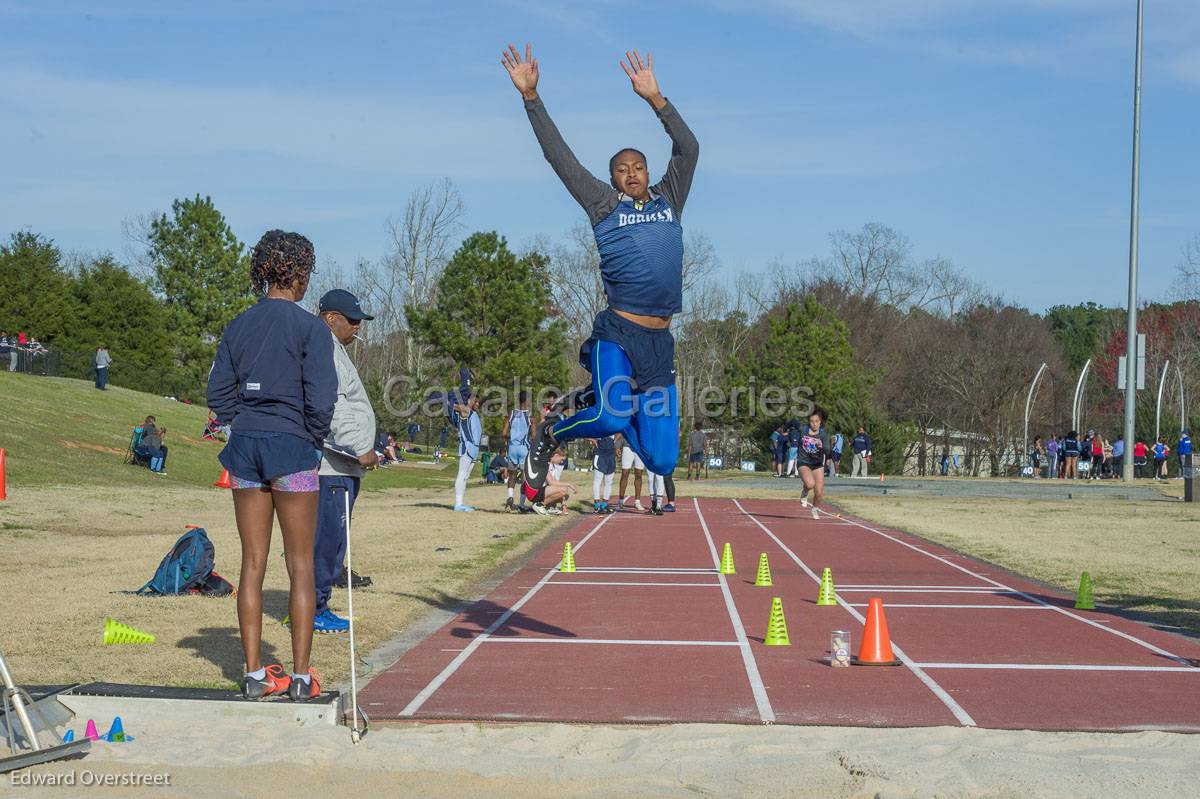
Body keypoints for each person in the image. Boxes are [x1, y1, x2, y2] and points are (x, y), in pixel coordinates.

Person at [502, 44, 698, 504]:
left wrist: (657, 100)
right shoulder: (602, 205)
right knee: (609, 419)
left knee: (663, 460)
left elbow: (688, 148)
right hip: (618, 331)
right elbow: (560, 158)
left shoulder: (670, 198)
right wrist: (532, 98)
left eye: (637, 167)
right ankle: (551, 434)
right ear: (612, 180)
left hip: (659, 342)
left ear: (648, 173)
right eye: (621, 170)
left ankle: (606, 398)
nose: (631, 173)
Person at [206, 229, 336, 703]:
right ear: (298, 273)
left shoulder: (239, 325)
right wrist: (310, 436)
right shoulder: (311, 329)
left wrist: (244, 415)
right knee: (300, 565)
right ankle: (301, 678)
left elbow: (217, 397)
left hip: (245, 447)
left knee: (252, 564)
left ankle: (255, 675)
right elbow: (322, 401)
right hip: (293, 447)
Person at [312, 288, 379, 635]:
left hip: (342, 467)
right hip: (333, 468)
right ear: (330, 319)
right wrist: (359, 448)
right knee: (328, 542)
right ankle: (314, 609)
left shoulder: (334, 349)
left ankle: (312, 605)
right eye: (352, 320)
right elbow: (334, 407)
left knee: (333, 540)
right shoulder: (325, 350)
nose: (358, 327)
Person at [793, 408, 830, 520]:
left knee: (818, 492)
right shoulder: (803, 430)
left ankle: (814, 509)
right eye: (812, 421)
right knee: (810, 484)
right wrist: (786, 429)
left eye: (817, 421)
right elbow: (793, 422)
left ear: (820, 422)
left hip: (817, 464)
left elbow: (828, 451)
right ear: (808, 421)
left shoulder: (823, 435)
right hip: (803, 462)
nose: (814, 424)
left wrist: (822, 447)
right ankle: (805, 492)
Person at [502, 391, 533, 512]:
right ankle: (521, 505)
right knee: (524, 477)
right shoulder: (531, 417)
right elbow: (534, 436)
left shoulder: (511, 414)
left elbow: (504, 434)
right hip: (524, 448)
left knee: (512, 475)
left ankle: (510, 499)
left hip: (512, 448)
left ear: (518, 400)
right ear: (528, 401)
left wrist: (510, 439)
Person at [453, 394, 483, 511]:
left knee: (466, 476)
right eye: (476, 401)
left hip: (474, 449)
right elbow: (455, 407)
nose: (478, 404)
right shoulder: (466, 412)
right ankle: (458, 504)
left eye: (478, 402)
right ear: (470, 401)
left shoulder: (474, 414)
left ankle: (461, 503)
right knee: (461, 474)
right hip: (467, 447)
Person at [529, 448, 577, 514]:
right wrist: (569, 484)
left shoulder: (553, 466)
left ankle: (549, 507)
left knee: (566, 494)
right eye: (562, 459)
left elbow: (556, 483)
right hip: (536, 491)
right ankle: (539, 504)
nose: (562, 462)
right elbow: (551, 482)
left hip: (544, 490)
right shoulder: (545, 464)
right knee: (564, 490)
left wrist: (564, 506)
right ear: (556, 455)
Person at [616, 432, 646, 511]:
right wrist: (618, 446)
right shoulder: (630, 419)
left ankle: (637, 501)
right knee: (625, 473)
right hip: (627, 446)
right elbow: (623, 429)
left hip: (640, 448)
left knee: (639, 474)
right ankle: (620, 501)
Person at [591, 435, 617, 514]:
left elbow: (620, 431)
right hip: (600, 450)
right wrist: (592, 439)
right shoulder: (596, 422)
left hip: (611, 451)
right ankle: (597, 506)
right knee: (598, 480)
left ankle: (604, 505)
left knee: (609, 481)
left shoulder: (613, 423)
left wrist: (615, 440)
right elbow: (583, 430)